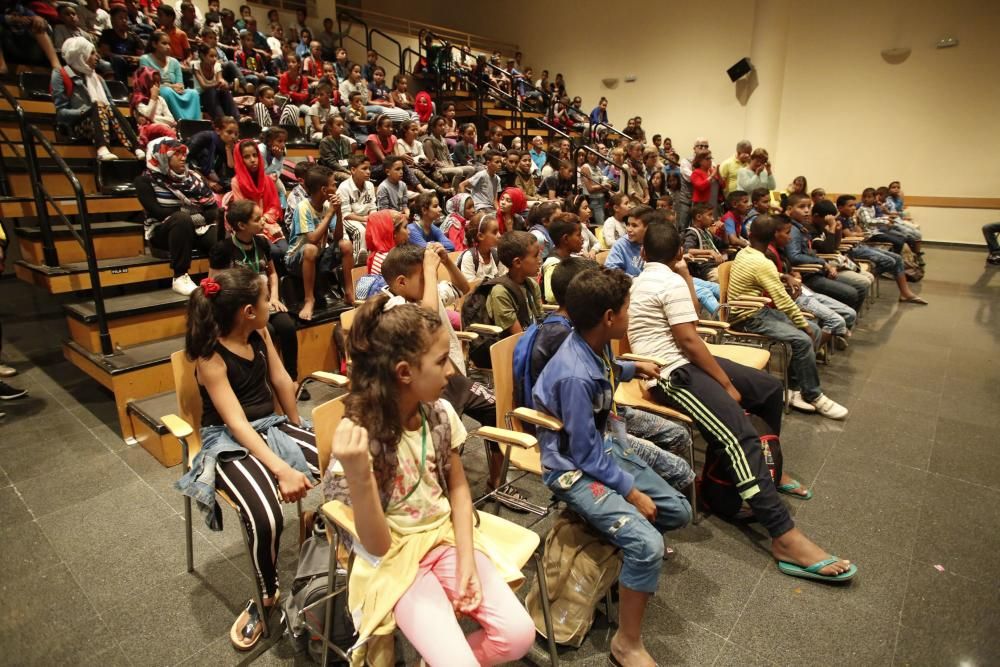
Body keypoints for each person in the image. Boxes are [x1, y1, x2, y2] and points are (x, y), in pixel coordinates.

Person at [630, 222, 857, 583]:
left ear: (644, 254)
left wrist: (685, 274)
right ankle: (784, 536)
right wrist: (724, 384)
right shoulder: (664, 281)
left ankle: (771, 470)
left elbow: (690, 317)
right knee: (740, 434)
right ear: (678, 253)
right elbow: (690, 339)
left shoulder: (647, 277)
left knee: (767, 388)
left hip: (684, 361)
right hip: (670, 375)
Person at [322, 291, 535, 666]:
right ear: (404, 372)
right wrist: (358, 477)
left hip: (445, 537)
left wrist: (467, 559)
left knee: (518, 636)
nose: (452, 371)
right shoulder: (360, 437)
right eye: (441, 361)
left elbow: (457, 487)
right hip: (395, 556)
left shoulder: (437, 414)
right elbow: (377, 545)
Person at [532, 268, 692, 667]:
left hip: (600, 450)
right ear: (608, 317)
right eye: (627, 309)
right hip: (572, 467)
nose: (630, 314)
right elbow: (583, 457)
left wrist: (634, 369)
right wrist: (631, 492)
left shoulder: (596, 345)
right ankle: (627, 643)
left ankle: (616, 542)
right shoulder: (574, 374)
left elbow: (608, 369)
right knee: (648, 544)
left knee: (677, 510)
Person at [176, 267, 317, 652]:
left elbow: (282, 381)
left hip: (271, 426)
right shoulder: (210, 358)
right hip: (226, 440)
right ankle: (266, 592)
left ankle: (319, 535)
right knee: (265, 515)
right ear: (246, 311)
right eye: (264, 297)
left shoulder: (260, 332)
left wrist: (296, 426)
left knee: (342, 465)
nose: (271, 301)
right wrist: (283, 466)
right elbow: (236, 424)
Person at [728, 215, 850, 419]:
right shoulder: (761, 262)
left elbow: (763, 276)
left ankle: (792, 388)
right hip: (747, 317)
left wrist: (784, 275)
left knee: (816, 330)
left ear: (750, 234)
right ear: (773, 236)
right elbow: (783, 300)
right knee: (804, 337)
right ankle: (814, 395)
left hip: (759, 311)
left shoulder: (745, 252)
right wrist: (804, 325)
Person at [209, 201, 299, 385]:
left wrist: (274, 297)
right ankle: (268, 384)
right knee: (268, 332)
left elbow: (272, 273)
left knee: (288, 327)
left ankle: (291, 380)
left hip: (264, 303)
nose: (264, 222)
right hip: (241, 310)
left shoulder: (262, 243)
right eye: (258, 219)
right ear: (242, 225)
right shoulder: (223, 249)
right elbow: (214, 286)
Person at [135, 137, 221, 295]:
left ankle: (220, 276)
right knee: (181, 219)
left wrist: (192, 217)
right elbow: (158, 212)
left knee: (219, 234)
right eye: (177, 154)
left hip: (194, 228)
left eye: (184, 153)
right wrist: (192, 213)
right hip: (162, 232)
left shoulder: (195, 178)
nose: (184, 158)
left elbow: (213, 210)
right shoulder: (144, 181)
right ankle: (180, 276)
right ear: (162, 157)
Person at [53, 37, 142, 162]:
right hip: (78, 124)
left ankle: (136, 147)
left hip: (105, 122)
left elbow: (110, 105)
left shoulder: (97, 78)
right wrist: (87, 110)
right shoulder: (60, 74)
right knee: (98, 105)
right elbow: (61, 113)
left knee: (107, 107)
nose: (98, 57)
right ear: (81, 55)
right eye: (92, 53)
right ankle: (102, 148)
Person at [834, 196, 928, 304]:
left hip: (860, 245)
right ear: (840, 208)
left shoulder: (849, 218)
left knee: (897, 258)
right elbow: (850, 235)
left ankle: (905, 293)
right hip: (852, 249)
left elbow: (858, 231)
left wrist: (857, 230)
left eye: (854, 205)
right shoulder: (840, 219)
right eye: (850, 206)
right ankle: (865, 276)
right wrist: (858, 233)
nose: (854, 208)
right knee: (890, 261)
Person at [785, 193, 867, 312]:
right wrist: (823, 263)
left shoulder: (801, 227)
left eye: (809, 206)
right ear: (789, 209)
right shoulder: (792, 230)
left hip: (817, 269)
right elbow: (794, 256)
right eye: (802, 207)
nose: (807, 210)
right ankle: (842, 322)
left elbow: (830, 248)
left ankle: (845, 320)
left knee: (859, 287)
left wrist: (836, 230)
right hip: (807, 275)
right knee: (853, 292)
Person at [285, 166, 345, 321]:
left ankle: (349, 293)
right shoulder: (303, 207)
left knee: (346, 245)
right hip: (296, 260)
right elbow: (312, 238)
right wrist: (331, 212)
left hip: (318, 256)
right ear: (324, 190)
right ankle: (309, 299)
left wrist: (338, 212)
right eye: (333, 185)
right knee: (311, 249)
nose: (336, 187)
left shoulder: (327, 207)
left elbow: (338, 237)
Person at [227, 139, 286, 264]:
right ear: (240, 160)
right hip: (249, 226)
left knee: (285, 251)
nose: (253, 160)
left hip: (267, 223)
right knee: (274, 252)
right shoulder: (236, 182)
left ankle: (279, 281)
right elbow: (242, 211)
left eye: (255, 155)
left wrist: (264, 218)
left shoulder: (267, 180)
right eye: (247, 157)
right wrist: (259, 220)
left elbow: (274, 206)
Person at [138, 30, 201, 120]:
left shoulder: (174, 62)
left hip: (174, 91)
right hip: (157, 91)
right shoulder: (145, 59)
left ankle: (196, 123)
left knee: (193, 93)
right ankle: (182, 122)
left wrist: (178, 87)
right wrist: (171, 86)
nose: (168, 47)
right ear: (154, 44)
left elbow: (180, 84)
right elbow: (149, 84)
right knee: (166, 91)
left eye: (169, 44)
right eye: (164, 43)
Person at [539, 213, 583, 303]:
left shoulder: (571, 258)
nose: (582, 239)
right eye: (578, 235)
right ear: (566, 238)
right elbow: (551, 297)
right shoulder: (552, 263)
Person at [187, 116, 238, 194]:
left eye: (235, 133)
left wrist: (228, 149)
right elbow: (186, 163)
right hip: (193, 176)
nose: (233, 137)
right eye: (229, 132)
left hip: (212, 178)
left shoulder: (228, 145)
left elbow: (231, 168)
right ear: (218, 131)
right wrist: (207, 182)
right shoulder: (202, 138)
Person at [192, 43, 240, 120]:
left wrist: (224, 84)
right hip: (201, 95)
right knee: (211, 91)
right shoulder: (196, 66)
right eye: (211, 56)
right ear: (203, 56)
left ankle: (236, 118)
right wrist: (218, 83)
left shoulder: (217, 65)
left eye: (215, 56)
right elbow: (203, 85)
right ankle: (222, 119)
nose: (214, 59)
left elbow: (219, 81)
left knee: (224, 91)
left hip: (215, 94)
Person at [98, 4, 144, 82]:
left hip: (132, 63)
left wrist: (136, 58)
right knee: (118, 60)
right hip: (116, 63)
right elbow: (105, 53)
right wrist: (125, 57)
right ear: (112, 20)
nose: (124, 21)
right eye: (120, 18)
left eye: (125, 18)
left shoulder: (132, 36)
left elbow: (141, 54)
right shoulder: (107, 34)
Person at [682, 203, 726, 282]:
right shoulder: (692, 232)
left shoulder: (707, 232)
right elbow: (687, 250)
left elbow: (724, 245)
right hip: (705, 269)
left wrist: (724, 231)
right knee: (724, 278)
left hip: (718, 266)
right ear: (699, 217)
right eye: (710, 215)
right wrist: (710, 252)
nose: (713, 219)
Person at [459, 214, 505, 282]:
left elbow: (504, 279)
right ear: (480, 236)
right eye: (495, 232)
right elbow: (470, 287)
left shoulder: (497, 254)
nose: (499, 235)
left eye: (499, 231)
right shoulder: (469, 257)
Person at [459, 150, 503, 215]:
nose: (500, 164)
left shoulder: (497, 179)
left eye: (500, 162)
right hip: (479, 207)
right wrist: (465, 205)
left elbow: (495, 201)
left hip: (490, 208)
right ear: (488, 163)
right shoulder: (481, 175)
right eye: (497, 162)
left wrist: (499, 211)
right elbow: (462, 185)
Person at [319, 116, 354, 181]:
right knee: (350, 178)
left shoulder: (346, 141)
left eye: (342, 125)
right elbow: (331, 162)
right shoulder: (325, 142)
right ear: (330, 127)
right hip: (331, 171)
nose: (342, 127)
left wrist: (353, 170)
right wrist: (346, 171)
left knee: (361, 175)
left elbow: (350, 158)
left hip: (346, 169)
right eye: (338, 125)